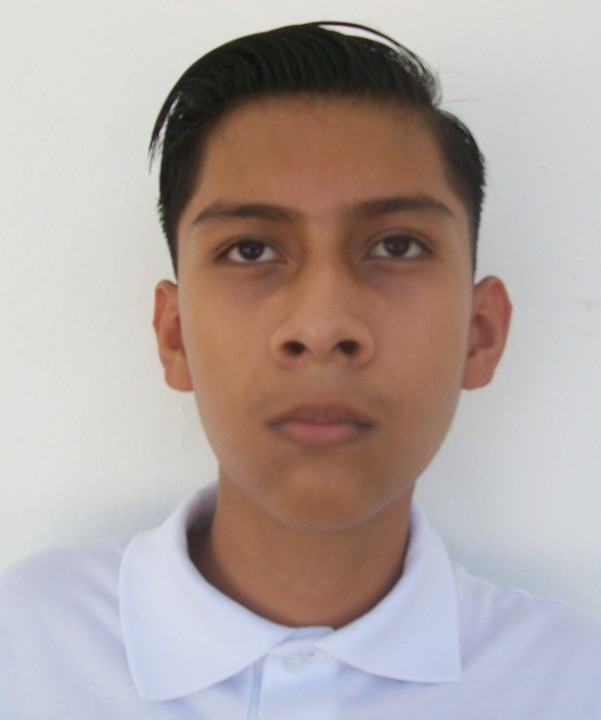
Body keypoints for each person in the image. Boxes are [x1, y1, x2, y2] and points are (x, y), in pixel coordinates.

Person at [1, 21, 600, 719]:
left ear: (480, 333)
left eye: (396, 246)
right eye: (250, 250)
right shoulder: (23, 650)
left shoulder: (572, 684)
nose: (322, 327)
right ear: (175, 336)